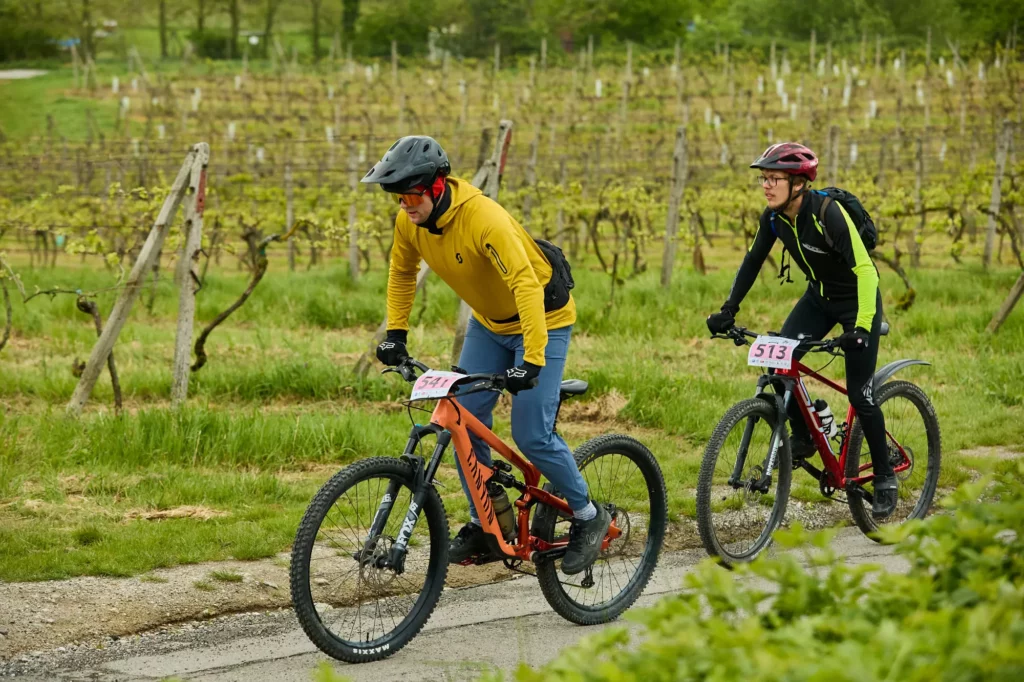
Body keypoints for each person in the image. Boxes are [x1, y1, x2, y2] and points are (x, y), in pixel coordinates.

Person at [362, 135, 609, 574]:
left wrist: (532, 360)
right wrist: (395, 334)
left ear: (437, 187)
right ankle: (486, 522)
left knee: (532, 434)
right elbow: (401, 272)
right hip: (490, 324)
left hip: (543, 322)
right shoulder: (410, 222)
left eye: (411, 195)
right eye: (397, 198)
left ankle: (589, 516)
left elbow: (525, 285)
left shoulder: (483, 219)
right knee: (463, 418)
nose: (404, 205)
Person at [705, 142, 898, 518]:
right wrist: (728, 309)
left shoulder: (829, 214)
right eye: (763, 178)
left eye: (773, 179)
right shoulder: (774, 218)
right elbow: (752, 261)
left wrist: (860, 327)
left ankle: (885, 476)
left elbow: (866, 271)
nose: (766, 186)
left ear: (798, 184)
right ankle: (808, 436)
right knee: (778, 362)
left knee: (860, 394)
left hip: (858, 300)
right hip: (819, 300)